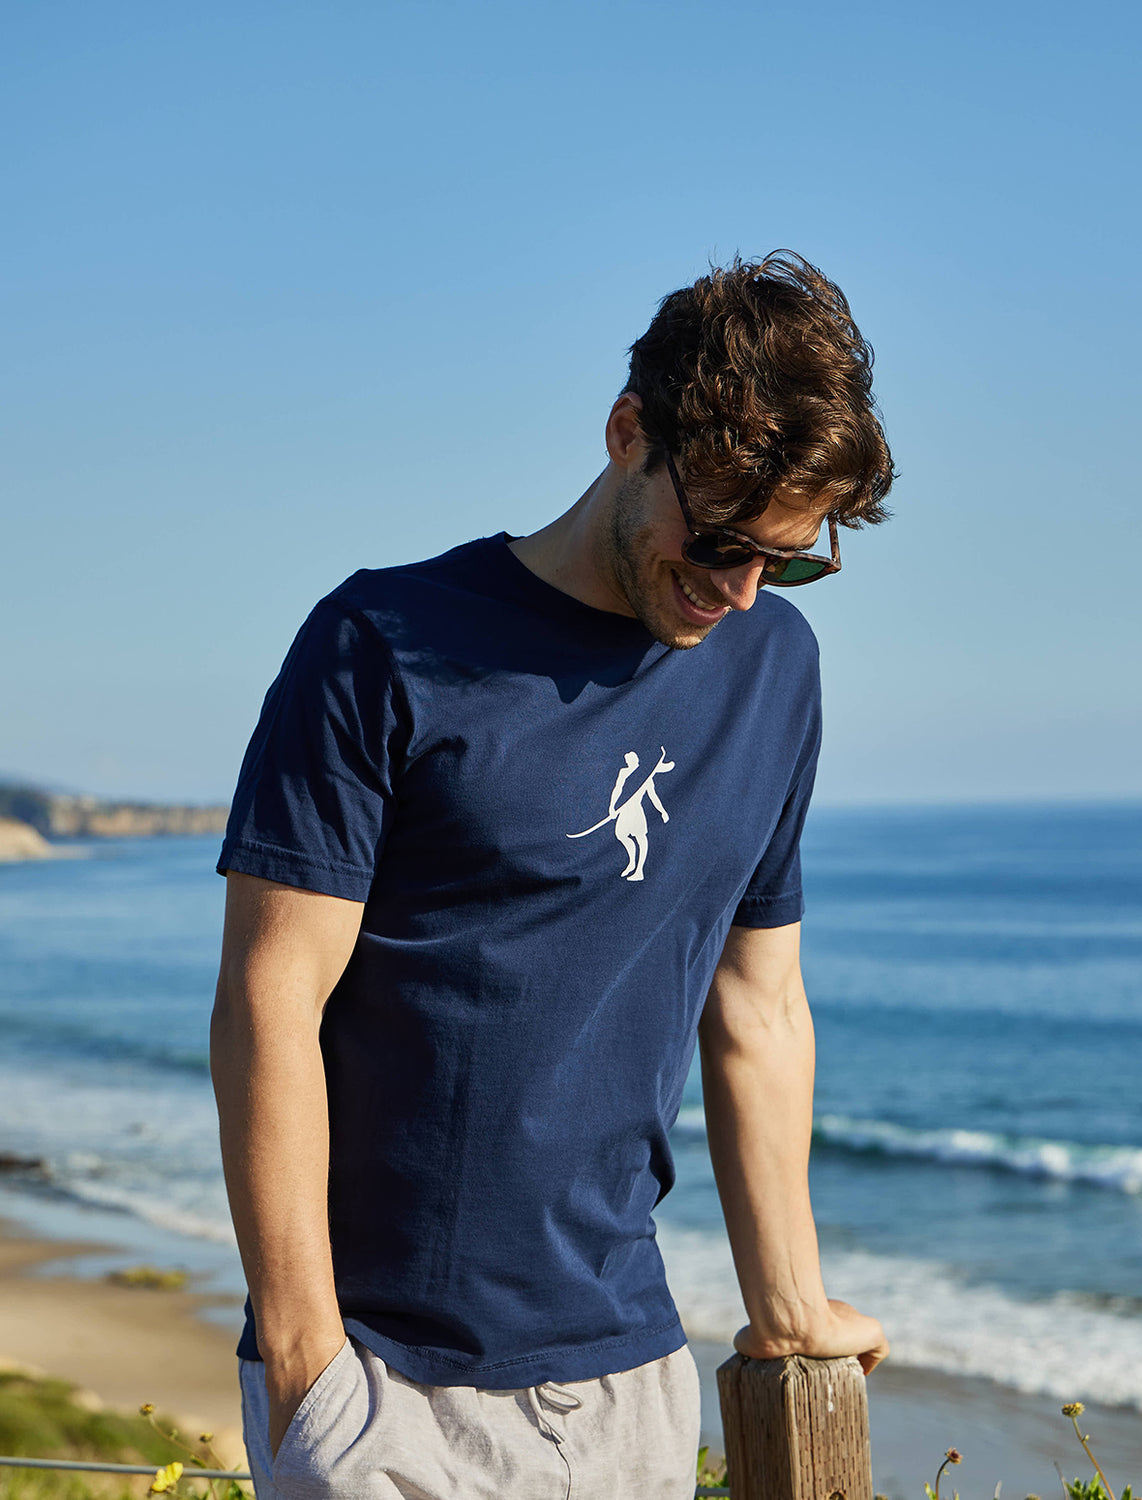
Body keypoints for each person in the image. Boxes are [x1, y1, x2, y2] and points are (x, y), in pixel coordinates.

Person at [210, 249, 896, 1500]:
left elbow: (758, 1004)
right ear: (631, 431)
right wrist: (309, 1366)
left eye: (786, 562)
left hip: (630, 1374)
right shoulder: (381, 646)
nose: (741, 592)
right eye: (724, 542)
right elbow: (270, 1002)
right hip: (385, 1384)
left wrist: (788, 1306)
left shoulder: (775, 672)